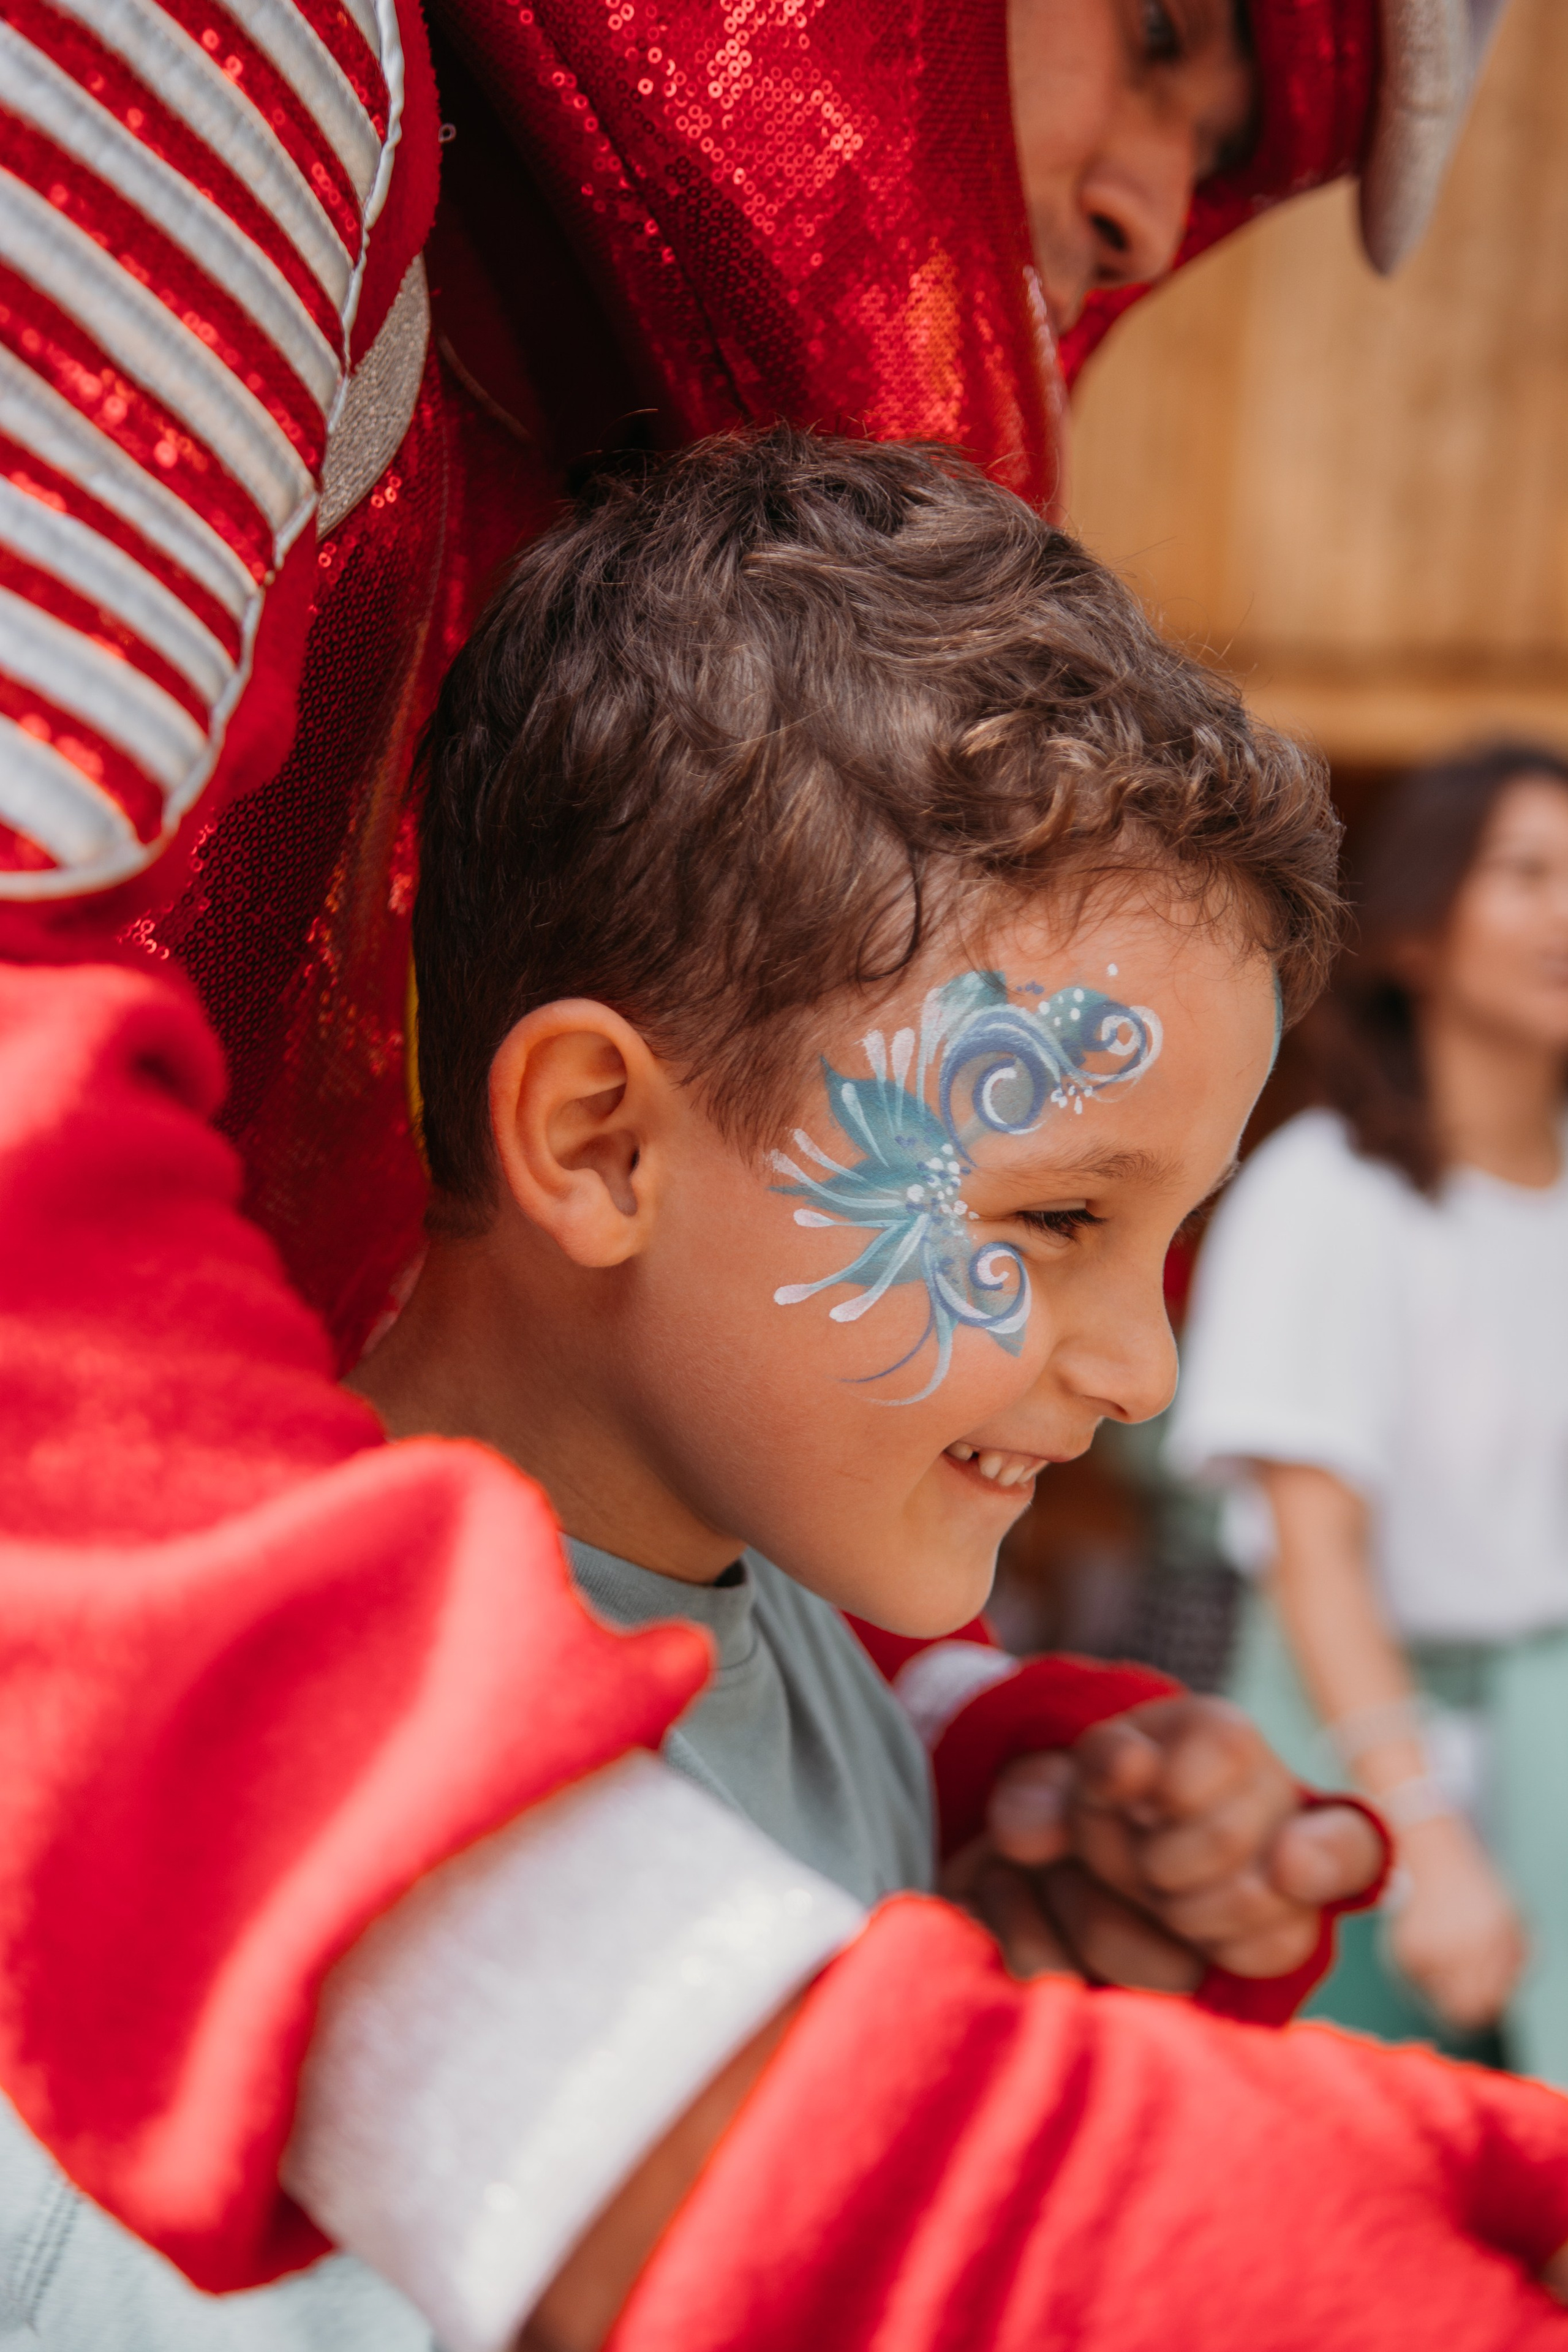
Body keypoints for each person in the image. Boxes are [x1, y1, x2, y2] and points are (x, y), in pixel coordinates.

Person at [0, 0, 1536, 2337]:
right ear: (595, 1133)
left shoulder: (766, 1585)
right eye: (1154, 39)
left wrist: (962, 1789)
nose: (1140, 202)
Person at [1169, 742, 1568, 2084]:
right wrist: (1427, 1842)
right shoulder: (1325, 1199)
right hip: (1358, 1759)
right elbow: (1313, 1554)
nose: (1565, 910)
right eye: (1525, 874)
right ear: (1412, 930)